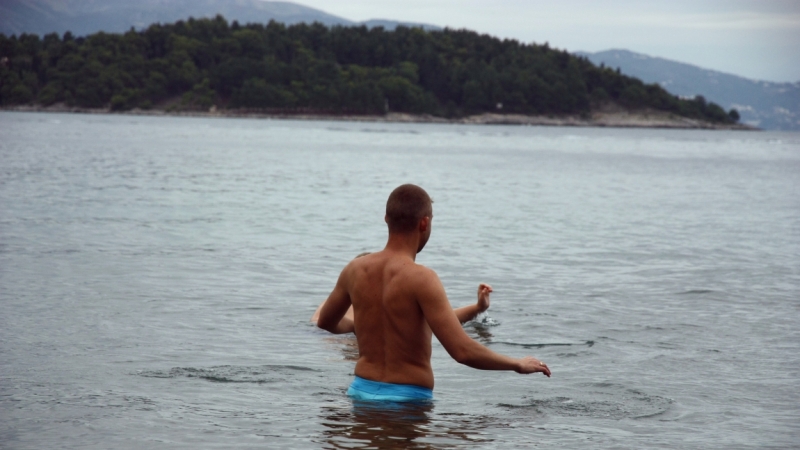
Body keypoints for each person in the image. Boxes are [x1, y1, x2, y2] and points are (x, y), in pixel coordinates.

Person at [317, 184, 551, 402]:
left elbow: (326, 322)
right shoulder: (423, 278)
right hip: (407, 400)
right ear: (424, 223)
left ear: (386, 219)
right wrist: (516, 364)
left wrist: (363, 325)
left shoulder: (355, 269)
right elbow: (462, 351)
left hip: (360, 392)